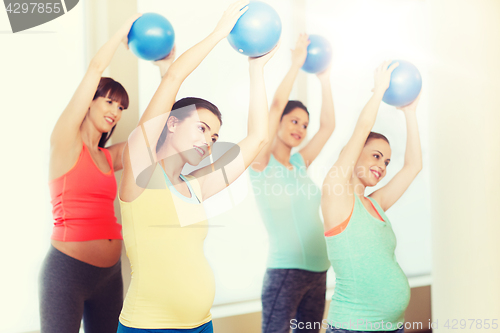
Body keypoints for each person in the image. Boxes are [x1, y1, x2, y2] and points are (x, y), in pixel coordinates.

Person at [117, 1, 278, 332]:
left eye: (215, 136)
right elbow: (175, 76)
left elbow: (259, 137)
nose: (209, 141)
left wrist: (256, 70)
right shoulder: (141, 169)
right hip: (148, 326)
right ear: (172, 123)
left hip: (202, 325)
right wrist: (219, 34)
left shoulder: (196, 186)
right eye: (202, 128)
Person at [38, 14, 163, 333]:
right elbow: (95, 70)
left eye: (121, 108)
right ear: (89, 103)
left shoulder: (109, 156)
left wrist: (166, 72)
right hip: (67, 271)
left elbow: (150, 136)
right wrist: (123, 31)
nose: (115, 112)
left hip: (109, 275)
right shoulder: (65, 142)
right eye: (109, 101)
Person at [322, 60, 422, 333]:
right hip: (353, 328)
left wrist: (410, 112)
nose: (383, 166)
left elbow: (414, 166)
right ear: (354, 156)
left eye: (387, 161)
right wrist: (378, 91)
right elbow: (361, 130)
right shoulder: (337, 195)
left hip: (393, 327)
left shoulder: (376, 204)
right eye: (376, 156)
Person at [249, 33, 336, 333]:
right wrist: (296, 64)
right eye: (294, 121)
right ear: (281, 122)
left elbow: (328, 127)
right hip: (285, 270)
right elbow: (275, 106)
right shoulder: (261, 163)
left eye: (304, 125)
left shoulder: (299, 164)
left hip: (319, 269)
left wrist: (324, 77)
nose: (300, 128)